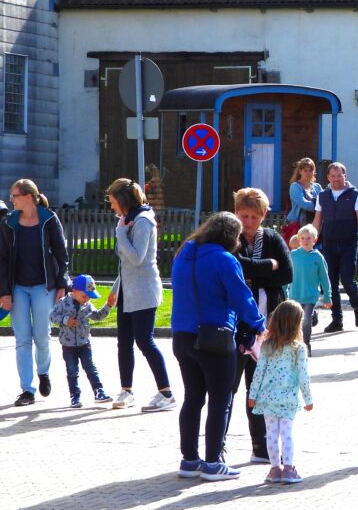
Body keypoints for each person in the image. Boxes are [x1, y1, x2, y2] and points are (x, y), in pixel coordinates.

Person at [171, 212, 266, 482]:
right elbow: (241, 297)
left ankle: (189, 460)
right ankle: (213, 463)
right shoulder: (225, 259)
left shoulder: (183, 255)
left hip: (182, 335)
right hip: (214, 336)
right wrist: (258, 324)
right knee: (220, 399)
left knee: (192, 398)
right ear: (230, 236)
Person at [232, 187, 294, 464]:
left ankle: (260, 448)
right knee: (230, 387)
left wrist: (256, 274)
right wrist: (266, 266)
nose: (248, 222)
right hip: (237, 327)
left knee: (259, 389)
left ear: (264, 216)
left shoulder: (271, 238)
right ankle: (218, 446)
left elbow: (286, 273)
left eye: (254, 217)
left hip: (268, 327)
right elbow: (235, 266)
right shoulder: (229, 238)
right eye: (243, 215)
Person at [105, 178, 174, 412]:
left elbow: (136, 258)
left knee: (145, 341)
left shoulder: (143, 221)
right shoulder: (128, 220)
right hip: (128, 289)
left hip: (144, 290)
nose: (112, 206)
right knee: (123, 342)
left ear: (122, 200)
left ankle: (166, 393)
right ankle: (126, 391)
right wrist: (116, 290)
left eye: (113, 201)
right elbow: (125, 263)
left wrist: (120, 233)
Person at [0, 179, 69, 407]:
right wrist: (4, 292)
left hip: (43, 286)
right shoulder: (9, 223)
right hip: (17, 287)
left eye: (14, 195)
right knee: (22, 339)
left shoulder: (49, 219)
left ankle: (44, 373)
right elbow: (2, 260)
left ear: (28, 197)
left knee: (41, 335)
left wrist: (61, 285)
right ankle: (27, 390)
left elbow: (61, 254)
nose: (11, 200)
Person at [247, 301, 313, 485]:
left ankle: (275, 469)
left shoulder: (267, 346)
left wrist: (252, 396)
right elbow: (303, 375)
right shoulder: (298, 348)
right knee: (287, 434)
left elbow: (258, 372)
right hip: (288, 400)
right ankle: (289, 468)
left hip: (267, 399)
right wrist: (308, 399)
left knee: (271, 434)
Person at [313, 162, 358, 332]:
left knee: (347, 278)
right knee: (331, 283)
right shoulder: (322, 196)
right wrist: (310, 239)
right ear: (328, 178)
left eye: (339, 175)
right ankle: (337, 320)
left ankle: (357, 307)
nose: (336, 179)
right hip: (329, 244)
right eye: (332, 176)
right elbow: (318, 221)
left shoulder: (355, 195)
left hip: (349, 243)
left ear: (345, 176)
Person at [50, 274, 113, 407]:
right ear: (74, 291)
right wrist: (66, 320)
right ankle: (75, 396)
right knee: (72, 371)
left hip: (85, 343)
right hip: (68, 345)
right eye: (85, 296)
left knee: (90, 368)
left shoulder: (87, 305)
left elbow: (98, 316)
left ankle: (99, 391)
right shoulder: (62, 303)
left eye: (89, 296)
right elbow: (52, 316)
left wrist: (108, 305)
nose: (87, 299)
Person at [289, 224, 332, 354]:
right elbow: (287, 273)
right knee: (296, 321)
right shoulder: (293, 255)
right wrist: (283, 289)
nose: (305, 241)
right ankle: (296, 345)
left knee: (306, 320)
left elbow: (324, 278)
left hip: (310, 295)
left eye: (308, 238)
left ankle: (306, 345)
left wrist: (327, 296)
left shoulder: (318, 257)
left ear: (315, 239)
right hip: (295, 294)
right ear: (298, 239)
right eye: (302, 238)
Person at [286, 158, 322, 234]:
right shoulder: (295, 186)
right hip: (297, 226)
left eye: (310, 170)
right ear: (300, 171)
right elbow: (304, 204)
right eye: (305, 170)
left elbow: (325, 200)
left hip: (315, 225)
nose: (308, 173)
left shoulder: (317, 187)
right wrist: (320, 207)